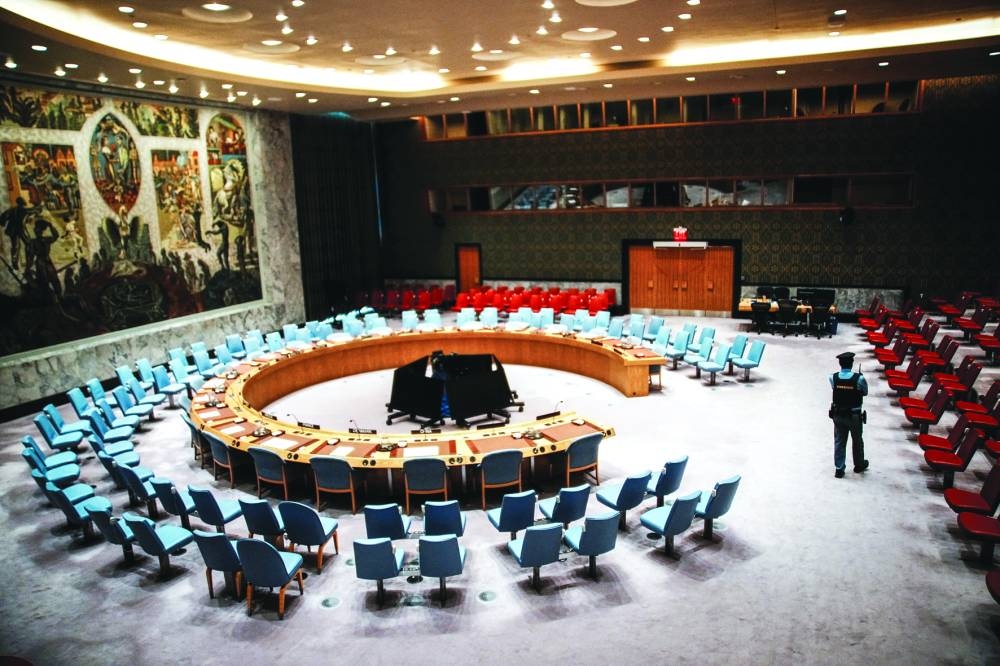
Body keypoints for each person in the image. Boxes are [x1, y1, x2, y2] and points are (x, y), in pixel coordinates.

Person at [829, 351, 868, 478]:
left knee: (839, 441)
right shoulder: (859, 378)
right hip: (854, 416)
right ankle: (859, 465)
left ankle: (839, 469)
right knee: (857, 440)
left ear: (840, 364)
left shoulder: (833, 377)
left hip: (838, 414)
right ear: (852, 363)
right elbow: (865, 392)